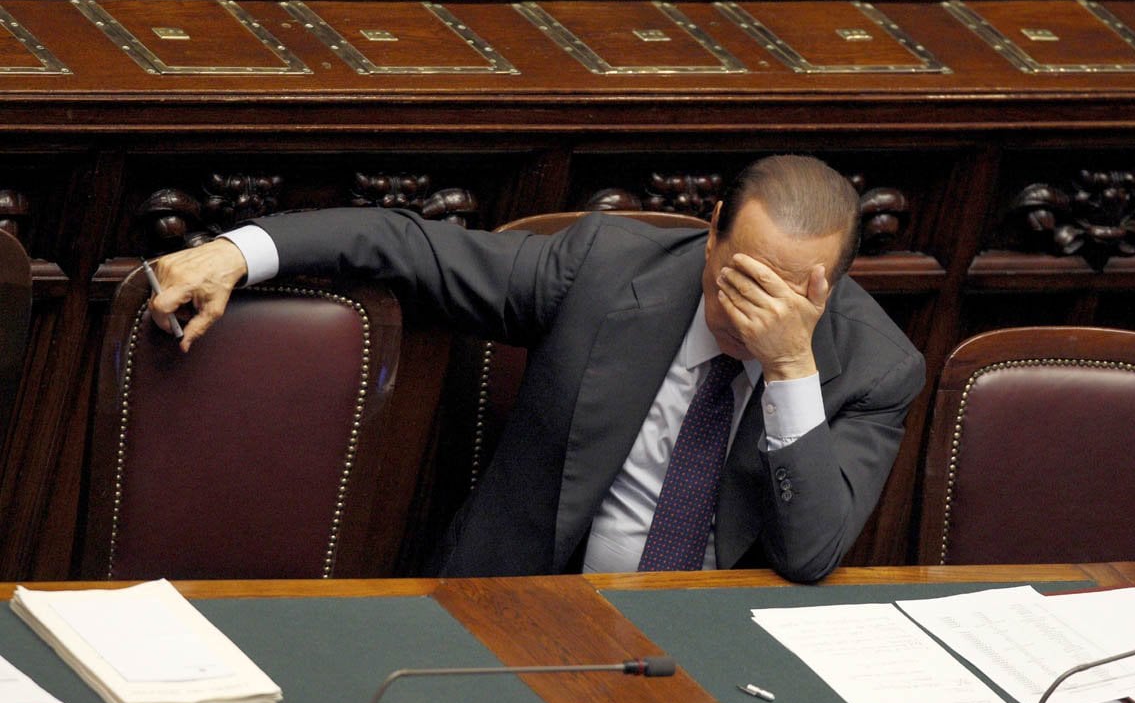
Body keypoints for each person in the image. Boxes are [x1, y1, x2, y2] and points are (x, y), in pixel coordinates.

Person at [148, 155, 924, 582]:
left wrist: (790, 368)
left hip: (714, 652)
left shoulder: (874, 368)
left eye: (783, 291)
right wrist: (235, 251)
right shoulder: (605, 268)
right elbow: (411, 246)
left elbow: (811, 552)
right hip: (521, 610)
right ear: (711, 231)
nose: (752, 308)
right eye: (739, 275)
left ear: (832, 283)